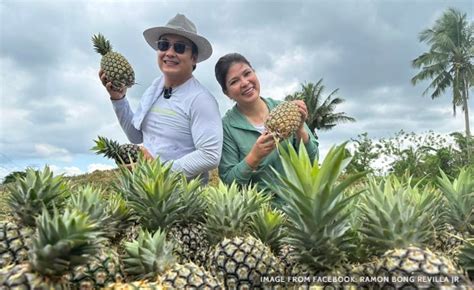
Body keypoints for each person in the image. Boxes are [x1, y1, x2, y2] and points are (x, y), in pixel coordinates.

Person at [99, 14, 223, 182]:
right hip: (148, 191)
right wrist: (119, 99)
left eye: (179, 47)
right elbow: (136, 136)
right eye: (164, 45)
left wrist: (160, 171)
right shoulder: (154, 88)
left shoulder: (201, 100)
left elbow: (210, 155)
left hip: (181, 200)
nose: (169, 53)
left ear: (193, 58)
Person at [215, 53, 319, 190]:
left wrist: (300, 129)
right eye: (234, 81)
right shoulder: (226, 127)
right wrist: (253, 157)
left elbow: (313, 162)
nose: (245, 83)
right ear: (227, 93)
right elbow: (228, 182)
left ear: (255, 73)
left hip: (296, 204)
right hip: (259, 208)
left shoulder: (285, 110)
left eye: (247, 73)